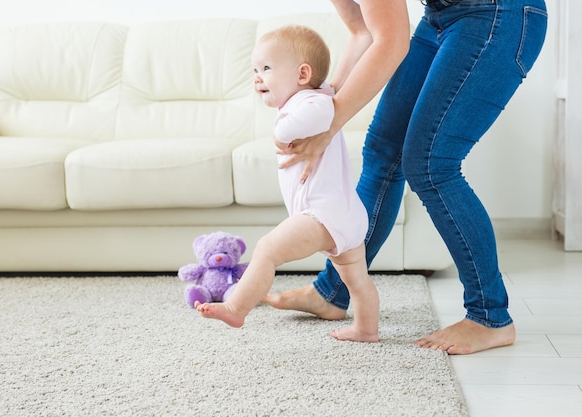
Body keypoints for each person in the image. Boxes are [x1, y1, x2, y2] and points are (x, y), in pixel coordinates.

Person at [263, 0, 548, 354]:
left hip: (497, 15)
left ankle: (489, 316)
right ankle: (333, 292)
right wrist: (320, 103)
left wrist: (331, 123)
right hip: (439, 18)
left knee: (431, 163)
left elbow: (390, 42)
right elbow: (361, 31)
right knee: (383, 155)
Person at [195, 25, 381, 343]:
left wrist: (281, 132)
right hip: (342, 214)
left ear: (302, 73)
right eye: (255, 69)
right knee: (357, 280)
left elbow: (323, 114)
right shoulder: (312, 97)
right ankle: (366, 329)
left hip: (322, 215)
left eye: (266, 68)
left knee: (267, 249)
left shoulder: (310, 100)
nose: (257, 77)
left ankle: (237, 308)